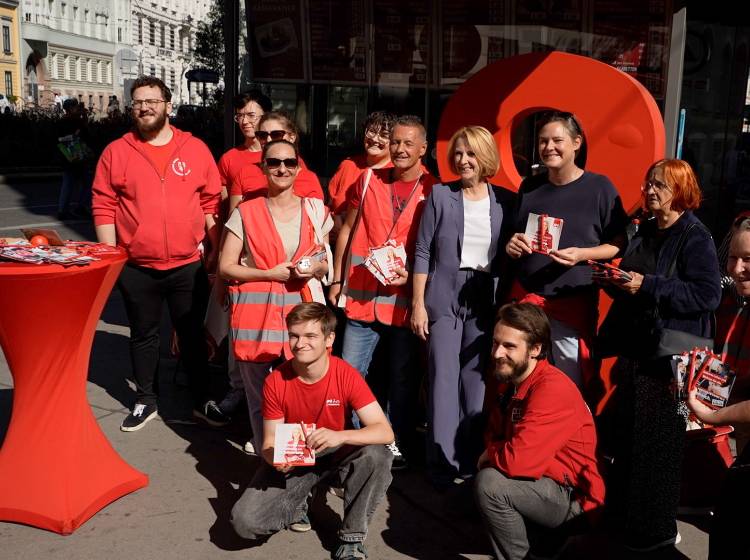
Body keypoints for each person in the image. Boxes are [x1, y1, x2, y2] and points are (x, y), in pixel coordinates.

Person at [597, 159, 721, 551]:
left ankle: (659, 533)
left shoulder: (694, 235)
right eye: (649, 183)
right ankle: (633, 521)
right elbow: (637, 283)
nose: (650, 191)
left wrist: (647, 285)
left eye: (661, 186)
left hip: (673, 361)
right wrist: (615, 281)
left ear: (681, 192)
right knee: (631, 443)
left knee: (663, 448)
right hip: (639, 353)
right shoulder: (647, 228)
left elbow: (706, 296)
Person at [92, 76, 227, 431]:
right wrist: (110, 257)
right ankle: (145, 399)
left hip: (187, 264)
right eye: (138, 102)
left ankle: (200, 401)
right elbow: (104, 205)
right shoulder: (117, 151)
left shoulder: (195, 148)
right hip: (137, 266)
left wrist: (213, 250)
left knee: (193, 334)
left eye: (152, 100)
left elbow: (211, 200)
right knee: (143, 334)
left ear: (168, 104)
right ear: (131, 108)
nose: (145, 107)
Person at [230, 303, 394, 560]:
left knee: (378, 455)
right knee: (245, 523)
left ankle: (352, 537)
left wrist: (341, 435)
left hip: (340, 456)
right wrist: (275, 458)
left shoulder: (345, 374)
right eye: (294, 335)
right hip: (298, 462)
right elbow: (269, 441)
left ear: (329, 339)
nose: (299, 344)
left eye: (310, 336)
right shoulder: (276, 380)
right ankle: (299, 502)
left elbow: (385, 432)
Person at [329, 115, 438, 468]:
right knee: (349, 375)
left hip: (403, 303)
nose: (400, 149)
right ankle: (352, 444)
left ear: (423, 149)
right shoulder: (366, 179)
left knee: (401, 380)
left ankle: (396, 443)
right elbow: (346, 229)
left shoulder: (435, 190)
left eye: (409, 144)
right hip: (361, 297)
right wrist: (336, 279)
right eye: (396, 142)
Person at [411, 126, 515, 486]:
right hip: (443, 293)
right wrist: (418, 304)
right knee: (442, 376)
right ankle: (440, 461)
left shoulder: (505, 200)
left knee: (476, 380)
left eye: (471, 154)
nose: (463, 160)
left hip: (485, 295)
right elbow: (422, 250)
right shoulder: (440, 195)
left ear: (485, 156)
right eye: (458, 153)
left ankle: (471, 458)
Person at [219, 139, 332, 454]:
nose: (282, 169)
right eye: (274, 163)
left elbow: (324, 262)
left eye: (289, 163)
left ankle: (295, 464)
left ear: (298, 167)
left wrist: (315, 268)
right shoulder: (246, 212)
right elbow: (226, 267)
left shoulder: (314, 209)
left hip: (301, 319)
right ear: (263, 167)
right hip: (257, 321)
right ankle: (270, 462)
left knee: (302, 397)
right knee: (260, 401)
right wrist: (269, 274)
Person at [505, 111, 628, 391]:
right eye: (543, 141)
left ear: (576, 142)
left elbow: (619, 243)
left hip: (572, 304)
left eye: (557, 140)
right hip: (527, 303)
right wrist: (512, 245)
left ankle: (574, 435)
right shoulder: (530, 186)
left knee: (570, 385)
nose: (549, 147)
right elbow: (516, 236)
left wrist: (582, 255)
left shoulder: (599, 188)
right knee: (522, 384)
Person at [475, 303, 605, 560]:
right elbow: (495, 435)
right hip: (540, 481)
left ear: (535, 350)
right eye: (495, 343)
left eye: (509, 346)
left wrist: (490, 454)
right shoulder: (513, 381)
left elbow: (518, 461)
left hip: (574, 500)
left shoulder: (551, 388)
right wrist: (495, 451)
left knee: (489, 485)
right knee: (457, 502)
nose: (497, 353)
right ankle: (546, 543)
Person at [687, 214, 750, 559]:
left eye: (749, 260)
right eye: (733, 257)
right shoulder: (742, 309)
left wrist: (712, 414)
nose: (738, 268)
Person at [228, 110, 323, 213]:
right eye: (263, 135)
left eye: (276, 134)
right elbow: (233, 221)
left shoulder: (309, 179)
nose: (268, 140)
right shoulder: (245, 173)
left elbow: (315, 222)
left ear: (292, 137)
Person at [327, 111, 396, 232]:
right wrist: (333, 218)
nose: (375, 139)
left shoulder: (396, 172)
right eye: (372, 132)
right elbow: (330, 204)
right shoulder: (347, 165)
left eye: (384, 135)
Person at [217, 90, 273, 208]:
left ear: (266, 116)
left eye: (251, 115)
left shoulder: (284, 156)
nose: (244, 121)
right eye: (240, 116)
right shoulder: (228, 159)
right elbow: (223, 206)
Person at [57, 98, 93, 219]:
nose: (77, 108)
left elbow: (57, 139)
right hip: (79, 156)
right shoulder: (77, 121)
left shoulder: (61, 121)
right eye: (76, 107)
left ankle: (62, 210)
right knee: (87, 183)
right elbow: (87, 134)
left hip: (67, 156)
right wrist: (84, 118)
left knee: (67, 184)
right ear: (72, 108)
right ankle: (81, 207)